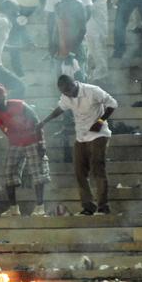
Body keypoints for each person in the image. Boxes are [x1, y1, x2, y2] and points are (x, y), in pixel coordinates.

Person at [37, 75, 117, 215]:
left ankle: (103, 206)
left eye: (69, 90)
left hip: (99, 134)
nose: (69, 94)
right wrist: (44, 121)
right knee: (80, 172)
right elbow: (59, 109)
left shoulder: (92, 90)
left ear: (74, 83)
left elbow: (113, 104)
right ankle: (88, 206)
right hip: (81, 137)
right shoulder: (65, 96)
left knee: (98, 168)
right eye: (65, 92)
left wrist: (100, 122)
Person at [0, 84, 50, 217]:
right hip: (15, 144)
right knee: (9, 173)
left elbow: (36, 120)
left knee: (38, 173)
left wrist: (41, 142)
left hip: (32, 140)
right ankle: (14, 208)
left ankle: (40, 207)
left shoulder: (18, 105)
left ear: (4, 97)